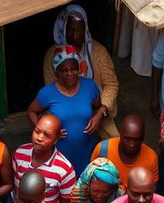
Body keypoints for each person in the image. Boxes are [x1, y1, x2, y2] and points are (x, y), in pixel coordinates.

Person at [43, 4, 119, 138]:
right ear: (63, 28)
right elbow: (51, 90)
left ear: (86, 29)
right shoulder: (53, 54)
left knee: (115, 147)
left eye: (79, 30)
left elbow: (111, 84)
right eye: (70, 29)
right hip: (65, 112)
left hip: (97, 110)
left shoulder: (98, 51)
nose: (75, 35)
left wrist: (102, 111)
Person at [28, 46, 101, 177]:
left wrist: (98, 117)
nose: (70, 73)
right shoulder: (48, 92)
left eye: (73, 69)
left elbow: (97, 107)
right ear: (57, 73)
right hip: (59, 154)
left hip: (87, 150)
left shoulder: (90, 86)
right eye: (64, 70)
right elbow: (31, 112)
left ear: (79, 69)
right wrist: (42, 130)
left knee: (86, 188)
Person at [12, 112, 76, 203]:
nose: (39, 138)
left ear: (56, 139)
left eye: (47, 135)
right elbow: (15, 189)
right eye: (37, 131)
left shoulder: (65, 169)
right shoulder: (19, 154)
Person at [92, 113, 158, 187]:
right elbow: (90, 178)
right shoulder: (103, 149)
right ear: (120, 134)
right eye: (127, 138)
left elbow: (151, 187)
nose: (131, 144)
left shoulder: (151, 157)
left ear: (143, 137)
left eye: (137, 140)